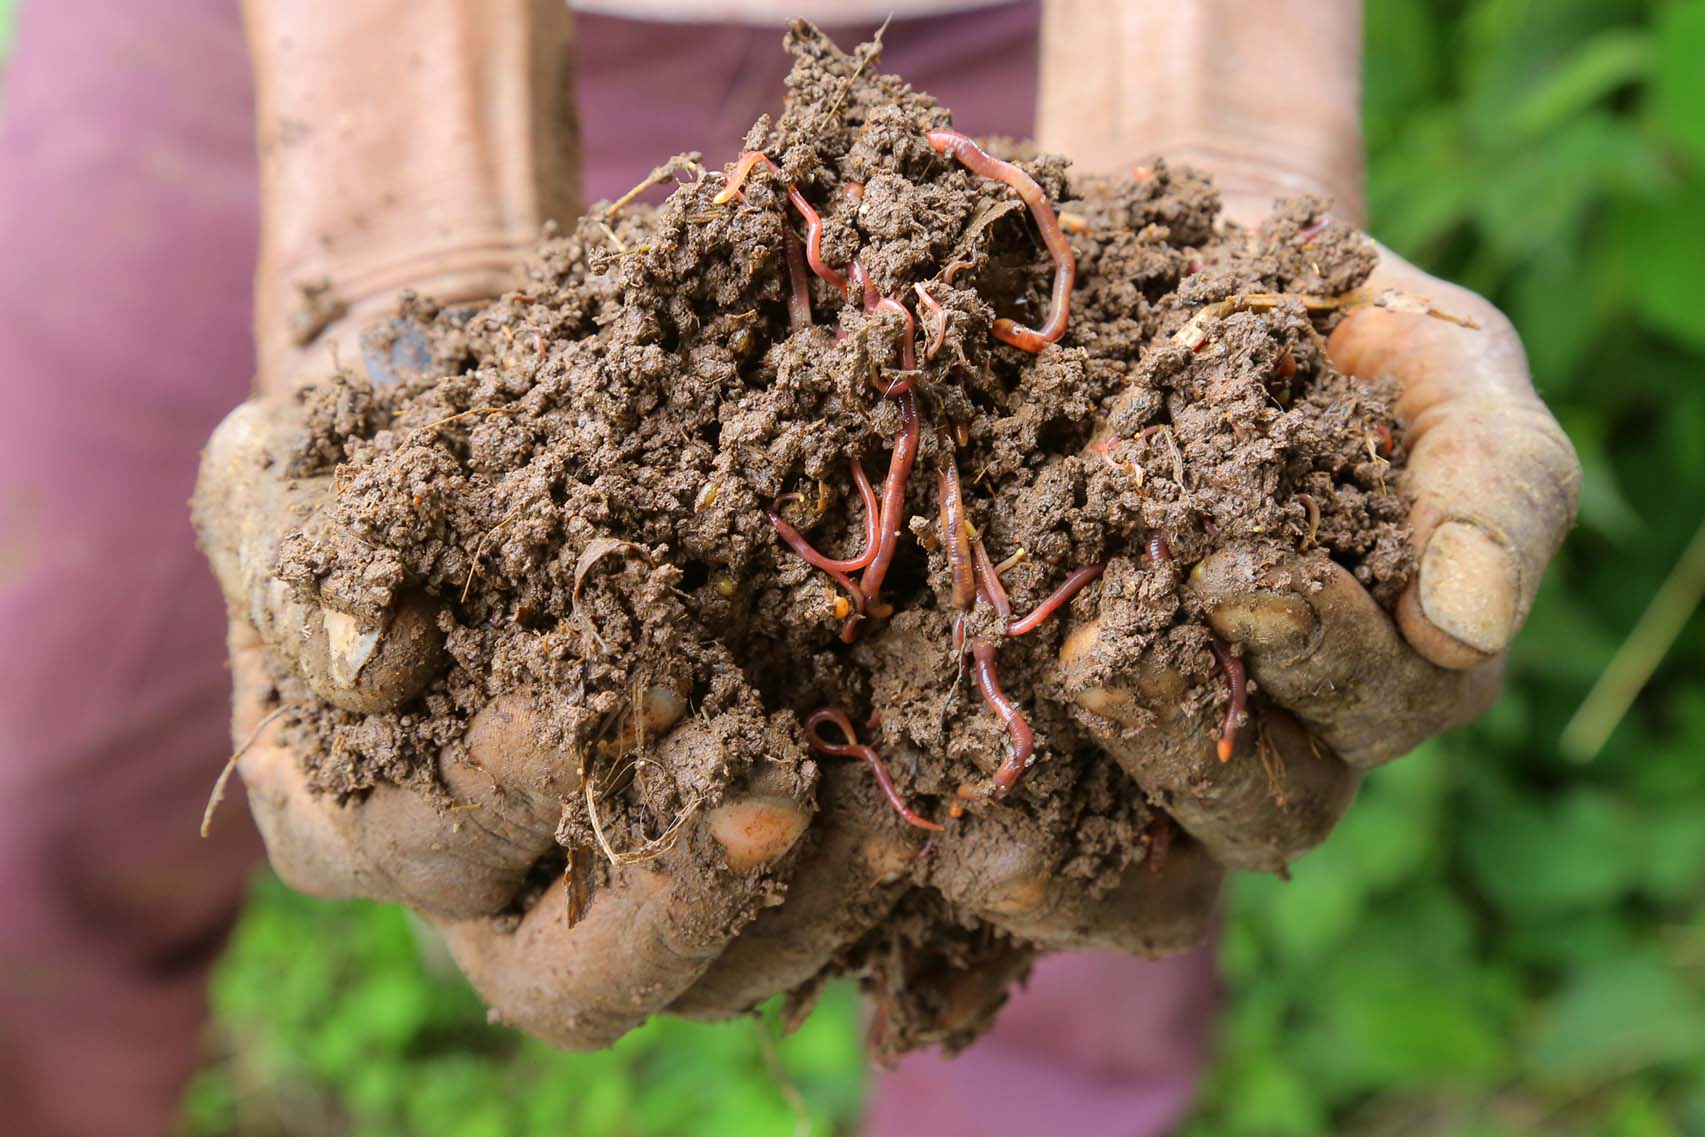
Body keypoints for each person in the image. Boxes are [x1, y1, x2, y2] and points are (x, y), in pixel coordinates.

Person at [0, 3, 1579, 1137]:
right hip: (304, 52)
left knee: (1092, 838)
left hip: (1000, 42)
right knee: (44, 775)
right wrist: (399, 251)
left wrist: (1220, 145)